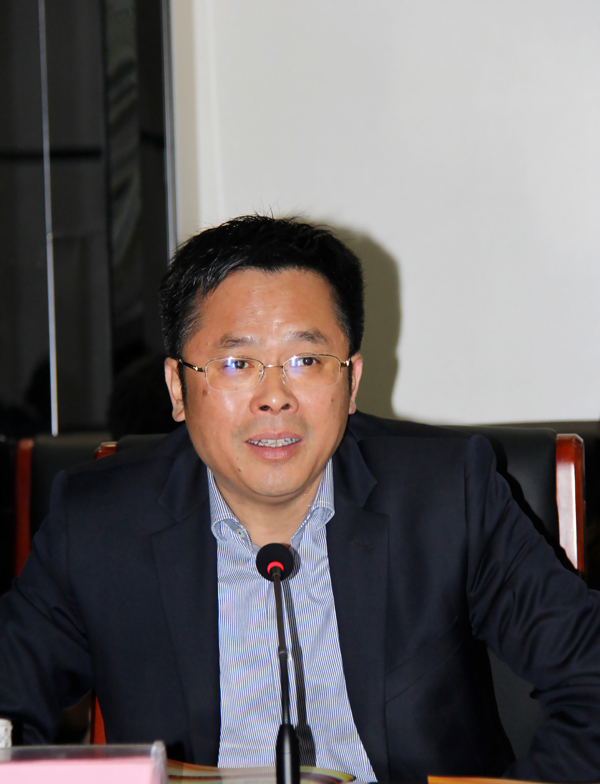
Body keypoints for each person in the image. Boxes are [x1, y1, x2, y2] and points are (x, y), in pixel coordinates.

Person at [1, 215, 600, 782]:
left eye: (306, 360)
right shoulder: (99, 524)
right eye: (236, 362)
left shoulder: (446, 496)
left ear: (351, 382)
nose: (275, 397)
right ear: (178, 389)